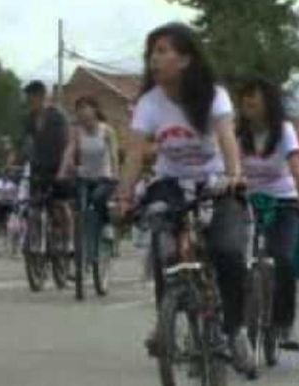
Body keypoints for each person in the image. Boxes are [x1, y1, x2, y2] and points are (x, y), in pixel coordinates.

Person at [114, 22, 253, 374]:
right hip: (170, 182)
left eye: (162, 51)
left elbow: (226, 138)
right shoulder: (148, 103)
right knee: (163, 242)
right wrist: (125, 197)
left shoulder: (213, 95)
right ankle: (168, 318)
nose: (154, 60)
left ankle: (235, 330)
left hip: (217, 181)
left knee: (227, 251)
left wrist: (234, 175)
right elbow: (133, 155)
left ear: (186, 59)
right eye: (151, 53)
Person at [236, 77, 299, 351]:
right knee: (236, 260)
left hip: (283, 202)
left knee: (283, 258)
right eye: (244, 100)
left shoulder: (283, 130)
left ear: (268, 103)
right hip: (247, 202)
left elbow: (296, 167)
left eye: (253, 99)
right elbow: (230, 167)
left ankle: (284, 324)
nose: (247, 105)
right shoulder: (237, 133)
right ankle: (235, 323)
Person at [15, 80, 73, 255]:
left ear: (41, 96)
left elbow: (67, 143)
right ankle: (35, 239)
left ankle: (69, 241)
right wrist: (14, 157)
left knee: (60, 205)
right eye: (28, 97)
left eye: (32, 97)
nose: (29, 101)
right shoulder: (30, 118)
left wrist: (64, 169)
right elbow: (22, 142)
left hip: (58, 167)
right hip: (38, 168)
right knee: (34, 206)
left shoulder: (57, 116)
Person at [57, 95, 120, 243]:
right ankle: (78, 241)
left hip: (104, 177)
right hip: (84, 177)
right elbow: (69, 151)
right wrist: (62, 171)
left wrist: (115, 174)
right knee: (78, 202)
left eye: (85, 108)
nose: (81, 113)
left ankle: (106, 225)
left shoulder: (107, 131)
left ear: (95, 110)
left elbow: (113, 155)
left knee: (98, 198)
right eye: (78, 110)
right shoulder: (77, 131)